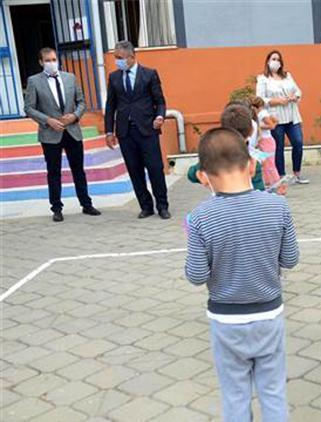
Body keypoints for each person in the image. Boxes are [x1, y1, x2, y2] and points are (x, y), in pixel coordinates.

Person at [185, 127, 299, 422]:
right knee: (273, 392)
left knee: (234, 395)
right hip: (268, 314)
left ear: (202, 176)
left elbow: (196, 276)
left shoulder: (199, 218)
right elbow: (290, 259)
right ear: (252, 164)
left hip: (226, 320)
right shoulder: (278, 207)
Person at [23, 47, 101, 222]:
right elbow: (29, 108)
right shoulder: (34, 81)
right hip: (50, 134)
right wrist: (48, 120)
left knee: (78, 170)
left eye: (54, 59)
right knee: (54, 171)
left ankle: (86, 204)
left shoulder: (70, 78)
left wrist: (74, 116)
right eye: (48, 60)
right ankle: (56, 208)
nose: (52, 63)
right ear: (41, 62)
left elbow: (81, 102)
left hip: (72, 131)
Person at [104, 40, 170, 219]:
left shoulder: (149, 74)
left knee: (155, 168)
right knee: (134, 170)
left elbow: (160, 101)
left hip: (147, 130)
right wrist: (109, 131)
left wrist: (160, 116)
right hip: (125, 132)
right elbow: (110, 106)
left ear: (131, 57)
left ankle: (162, 205)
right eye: (115, 57)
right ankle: (146, 206)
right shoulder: (114, 77)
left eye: (119, 58)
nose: (116, 61)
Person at [256, 50, 309, 185]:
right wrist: (277, 101)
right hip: (275, 117)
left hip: (292, 116)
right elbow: (260, 99)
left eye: (278, 60)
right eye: (273, 59)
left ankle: (297, 174)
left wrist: (294, 97)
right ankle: (280, 176)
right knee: (278, 146)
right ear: (268, 61)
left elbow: (298, 91)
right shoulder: (262, 79)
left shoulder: (287, 76)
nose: (276, 62)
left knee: (298, 142)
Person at [187, 104, 266, 192]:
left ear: (223, 129)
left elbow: (191, 174)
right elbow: (260, 191)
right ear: (251, 131)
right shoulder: (252, 161)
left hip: (220, 203)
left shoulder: (214, 158)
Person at [250, 96, 286, 194]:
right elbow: (276, 120)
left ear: (255, 107)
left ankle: (280, 187)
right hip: (265, 141)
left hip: (266, 141)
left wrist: (259, 126)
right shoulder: (265, 112)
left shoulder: (262, 115)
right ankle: (270, 185)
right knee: (266, 165)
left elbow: (272, 125)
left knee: (270, 165)